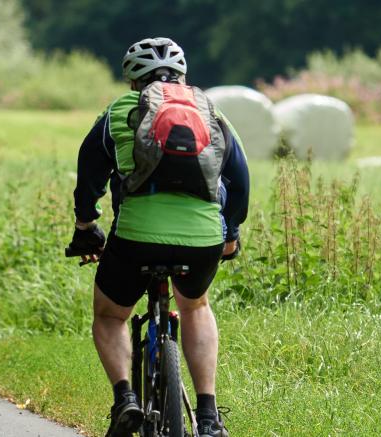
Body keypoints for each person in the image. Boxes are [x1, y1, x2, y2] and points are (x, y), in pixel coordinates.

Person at [67, 37, 249, 437]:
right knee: (196, 306)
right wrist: (230, 233)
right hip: (203, 238)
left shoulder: (117, 112)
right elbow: (240, 180)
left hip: (135, 237)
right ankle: (207, 415)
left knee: (110, 314)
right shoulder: (209, 111)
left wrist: (85, 227)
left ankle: (125, 400)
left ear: (132, 79)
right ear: (183, 75)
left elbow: (89, 179)